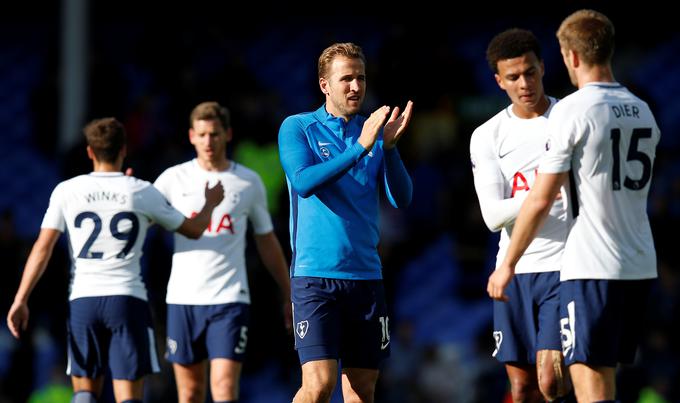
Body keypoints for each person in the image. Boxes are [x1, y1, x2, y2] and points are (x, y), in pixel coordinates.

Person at [488, 10, 660, 403]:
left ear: (571, 57)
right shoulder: (643, 110)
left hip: (591, 266)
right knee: (605, 380)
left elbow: (542, 197)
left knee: (591, 389)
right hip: (638, 263)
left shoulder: (571, 110)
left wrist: (508, 263)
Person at [6, 117, 224, 403]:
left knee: (84, 394)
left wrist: (21, 299)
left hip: (84, 299)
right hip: (127, 300)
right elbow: (193, 230)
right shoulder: (141, 191)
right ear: (124, 149)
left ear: (89, 152)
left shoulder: (67, 191)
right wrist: (210, 202)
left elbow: (42, 248)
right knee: (129, 397)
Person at [278, 42, 413, 403]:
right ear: (325, 84)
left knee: (361, 390)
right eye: (346, 79)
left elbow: (402, 198)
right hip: (315, 276)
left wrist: (390, 148)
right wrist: (361, 148)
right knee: (319, 385)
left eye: (361, 78)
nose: (356, 87)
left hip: (367, 277)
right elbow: (303, 182)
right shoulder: (298, 127)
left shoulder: (372, 131)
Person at [154, 101, 291, 403]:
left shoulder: (247, 182)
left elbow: (266, 239)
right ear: (191, 136)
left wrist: (287, 291)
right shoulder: (172, 179)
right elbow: (143, 218)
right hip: (183, 298)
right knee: (189, 393)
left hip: (229, 299)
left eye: (214, 134)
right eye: (202, 135)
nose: (208, 142)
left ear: (227, 135)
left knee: (225, 388)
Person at [470, 28, 573, 402]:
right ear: (499, 81)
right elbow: (493, 215)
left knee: (552, 380)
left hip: (566, 265)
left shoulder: (570, 118)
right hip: (512, 270)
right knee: (523, 387)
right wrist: (545, 194)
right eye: (513, 76)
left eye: (530, 72)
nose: (524, 83)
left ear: (543, 67)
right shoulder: (487, 135)